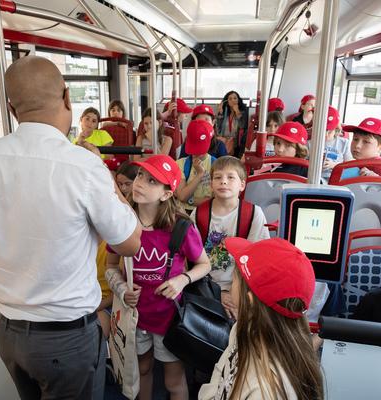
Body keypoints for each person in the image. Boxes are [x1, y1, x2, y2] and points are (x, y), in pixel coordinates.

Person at [0, 55, 141, 400]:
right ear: (68, 98)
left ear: (12, 109)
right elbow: (130, 242)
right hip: (66, 340)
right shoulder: (83, 166)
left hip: (10, 334)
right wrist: (108, 180)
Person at [106, 155, 211, 400]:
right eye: (141, 176)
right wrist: (121, 288)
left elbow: (204, 264)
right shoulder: (122, 224)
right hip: (136, 317)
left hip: (170, 318)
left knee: (173, 380)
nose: (140, 183)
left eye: (152, 181)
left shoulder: (181, 226)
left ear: (166, 194)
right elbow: (110, 266)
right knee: (143, 370)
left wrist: (182, 279)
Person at [199, 237, 324, 400]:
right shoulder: (243, 327)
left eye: (235, 277)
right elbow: (221, 372)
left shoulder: (266, 391)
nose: (230, 283)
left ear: (249, 301)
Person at [190, 156, 270, 319]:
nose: (223, 182)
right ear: (211, 184)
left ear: (242, 184)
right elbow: (191, 259)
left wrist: (235, 294)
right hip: (207, 288)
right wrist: (218, 293)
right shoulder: (198, 214)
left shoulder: (253, 214)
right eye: (217, 177)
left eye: (230, 177)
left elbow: (258, 260)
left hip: (242, 289)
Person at [96, 161, 140, 338]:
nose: (122, 188)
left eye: (127, 184)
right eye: (119, 184)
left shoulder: (119, 234)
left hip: (110, 300)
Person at [175, 120, 216, 213]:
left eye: (200, 149)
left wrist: (190, 201)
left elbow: (215, 199)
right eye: (193, 148)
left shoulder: (216, 164)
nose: (196, 153)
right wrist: (200, 174)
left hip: (207, 212)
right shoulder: (180, 164)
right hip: (183, 213)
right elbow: (182, 196)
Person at [317, 106, 353, 181]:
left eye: (330, 131)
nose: (326, 135)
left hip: (337, 177)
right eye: (323, 131)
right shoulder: (310, 143)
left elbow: (349, 165)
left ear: (336, 130)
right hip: (316, 177)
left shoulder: (344, 143)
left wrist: (334, 165)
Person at [216, 91, 249, 157]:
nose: (232, 100)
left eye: (235, 98)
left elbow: (243, 126)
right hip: (224, 141)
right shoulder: (225, 112)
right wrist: (220, 114)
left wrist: (237, 112)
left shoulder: (243, 112)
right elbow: (218, 130)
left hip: (236, 144)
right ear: (227, 101)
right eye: (230, 99)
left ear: (238, 100)